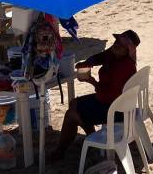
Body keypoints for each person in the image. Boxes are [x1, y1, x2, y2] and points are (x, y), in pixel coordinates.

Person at [50, 30, 140, 160]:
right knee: (74, 103)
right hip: (115, 102)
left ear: (128, 49)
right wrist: (88, 62)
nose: (115, 45)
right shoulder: (115, 55)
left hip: (115, 109)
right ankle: (92, 136)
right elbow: (102, 56)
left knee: (71, 115)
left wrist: (91, 81)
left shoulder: (124, 67)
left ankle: (60, 151)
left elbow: (106, 95)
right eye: (116, 41)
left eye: (120, 44)